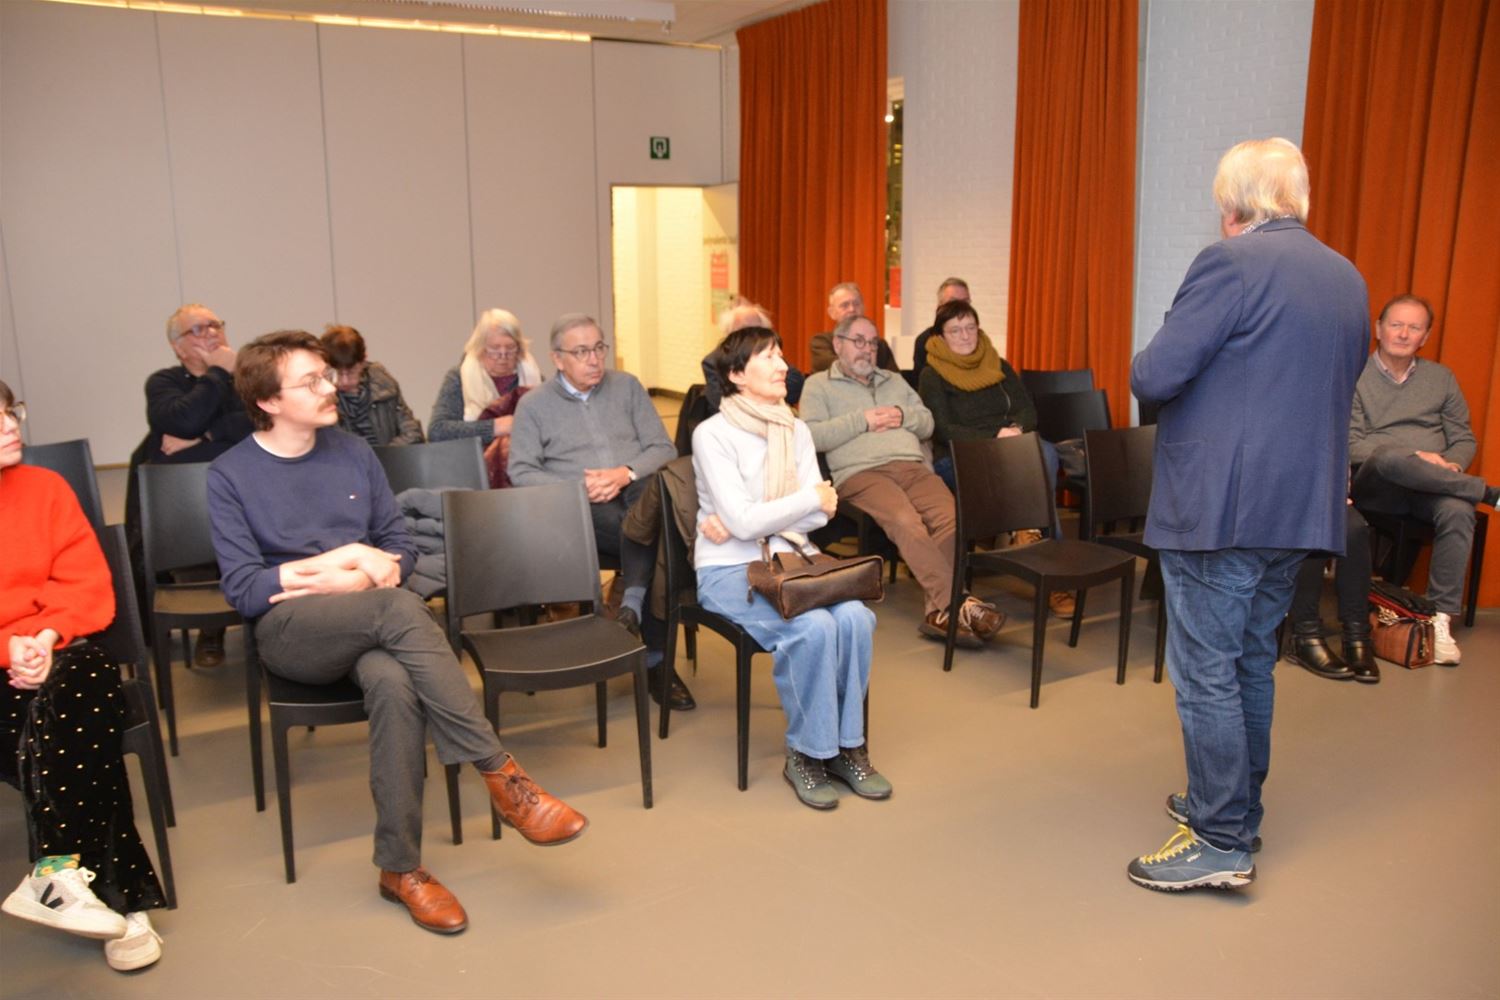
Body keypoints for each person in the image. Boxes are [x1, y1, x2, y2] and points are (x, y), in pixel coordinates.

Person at [207, 331, 587, 935]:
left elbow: (400, 547)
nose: (330, 387)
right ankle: (502, 774)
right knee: (398, 608)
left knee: (394, 682)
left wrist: (350, 572)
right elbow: (247, 589)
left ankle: (400, 868)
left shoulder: (353, 452)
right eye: (311, 381)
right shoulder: (231, 474)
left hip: (371, 614)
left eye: (327, 375)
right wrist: (351, 558)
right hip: (293, 633)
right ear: (269, 401)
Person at [1128, 137, 1368, 891]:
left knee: (1207, 672)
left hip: (1221, 507)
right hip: (1298, 506)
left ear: (1234, 201)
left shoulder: (1229, 263)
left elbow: (1154, 374)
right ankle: (1233, 807)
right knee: (1250, 663)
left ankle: (1220, 838)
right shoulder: (1346, 276)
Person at [0, 380, 168, 971]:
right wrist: (9, 648)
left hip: (52, 651)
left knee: (85, 677)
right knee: (79, 735)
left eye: (10, 411)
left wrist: (45, 638)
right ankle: (123, 901)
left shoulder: (45, 488)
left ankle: (55, 871)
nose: (11, 424)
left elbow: (85, 584)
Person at [692, 328, 889, 810]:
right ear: (737, 375)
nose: (783, 366)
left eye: (781, 355)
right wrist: (802, 501)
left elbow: (820, 517)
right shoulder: (712, 434)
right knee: (812, 628)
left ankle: (846, 747)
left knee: (856, 618)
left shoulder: (794, 428)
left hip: (792, 558)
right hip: (728, 569)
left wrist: (755, 515)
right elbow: (791, 509)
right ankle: (806, 752)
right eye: (768, 357)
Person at [507, 314, 692, 709]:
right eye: (581, 352)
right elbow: (520, 472)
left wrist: (624, 473)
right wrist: (581, 487)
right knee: (655, 538)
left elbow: (663, 448)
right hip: (582, 507)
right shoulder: (534, 405)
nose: (594, 359)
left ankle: (632, 608)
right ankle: (655, 658)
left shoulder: (626, 387)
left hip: (636, 488)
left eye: (598, 348)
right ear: (557, 359)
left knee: (648, 509)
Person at [799, 313, 1003, 649]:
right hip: (861, 473)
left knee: (952, 517)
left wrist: (903, 415)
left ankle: (939, 613)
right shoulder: (818, 385)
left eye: (873, 343)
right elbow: (812, 435)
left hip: (911, 467)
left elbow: (927, 422)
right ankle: (959, 603)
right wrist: (862, 420)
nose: (867, 349)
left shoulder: (893, 381)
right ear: (838, 345)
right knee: (907, 522)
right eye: (858, 341)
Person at [1348, 294, 1499, 666]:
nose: (1403, 334)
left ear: (1425, 336)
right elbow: (1353, 443)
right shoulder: (1354, 374)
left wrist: (1451, 466)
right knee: (1388, 455)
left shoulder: (1441, 378)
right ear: (1379, 329)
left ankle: (1438, 620)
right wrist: (1416, 456)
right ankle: (1487, 493)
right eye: (1396, 325)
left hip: (1432, 487)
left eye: (1414, 327)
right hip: (1378, 486)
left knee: (1458, 511)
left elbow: (1463, 438)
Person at [917, 299, 1074, 616]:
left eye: (970, 327)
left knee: (1045, 453)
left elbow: (1027, 410)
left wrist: (1015, 429)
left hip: (1009, 448)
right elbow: (943, 429)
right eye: (955, 330)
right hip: (961, 456)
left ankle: (1032, 537)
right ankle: (1045, 563)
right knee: (1032, 479)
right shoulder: (932, 375)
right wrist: (994, 435)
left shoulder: (999, 365)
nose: (965, 336)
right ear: (941, 336)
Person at [135, 302, 255, 666]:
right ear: (178, 346)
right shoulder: (164, 382)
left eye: (216, 325)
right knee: (188, 513)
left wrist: (205, 435)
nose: (213, 333)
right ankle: (210, 628)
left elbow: (260, 424)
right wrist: (217, 374)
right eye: (199, 329)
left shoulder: (246, 379)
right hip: (188, 505)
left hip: (245, 495)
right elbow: (181, 421)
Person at [428, 309, 542, 488]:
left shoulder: (534, 380)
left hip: (527, 475)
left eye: (510, 348)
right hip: (470, 477)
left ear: (520, 349)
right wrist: (495, 427)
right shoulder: (459, 378)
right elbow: (438, 431)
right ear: (479, 348)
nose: (503, 356)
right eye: (494, 349)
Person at [1285, 507, 1378, 683]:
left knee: (1354, 528)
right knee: (1312, 527)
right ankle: (1305, 635)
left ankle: (1356, 634)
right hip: (1280, 501)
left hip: (1322, 500)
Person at [320, 325, 424, 447]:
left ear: (363, 360)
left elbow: (413, 433)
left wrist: (381, 456)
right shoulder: (322, 394)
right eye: (338, 373)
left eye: (351, 372)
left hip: (388, 456)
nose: (344, 381)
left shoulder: (382, 382)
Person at [701, 299, 805, 413]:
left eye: (758, 330)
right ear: (730, 334)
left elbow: (797, 387)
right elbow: (720, 403)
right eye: (744, 331)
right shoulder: (713, 361)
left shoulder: (771, 353)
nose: (753, 337)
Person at [807, 283, 899, 374]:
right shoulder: (822, 342)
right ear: (832, 313)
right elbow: (837, 369)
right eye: (845, 305)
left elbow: (895, 378)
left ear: (863, 308)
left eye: (856, 304)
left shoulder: (879, 345)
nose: (852, 309)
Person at [910, 277, 971, 379]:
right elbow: (921, 383)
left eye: (965, 303)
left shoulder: (978, 340)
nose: (960, 308)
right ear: (940, 307)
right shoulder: (925, 341)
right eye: (953, 303)